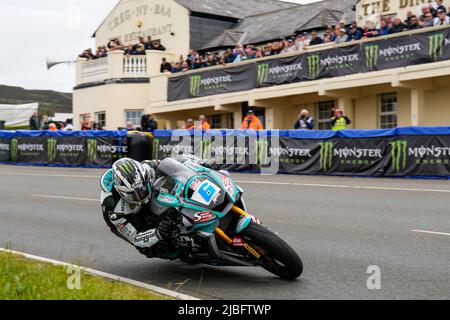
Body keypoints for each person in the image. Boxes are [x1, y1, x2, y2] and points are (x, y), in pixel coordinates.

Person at [100, 158, 178, 258]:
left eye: (143, 189)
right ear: (121, 192)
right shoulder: (113, 208)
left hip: (137, 190)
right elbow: (135, 237)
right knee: (150, 248)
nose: (142, 195)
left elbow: (172, 164)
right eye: (134, 194)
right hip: (126, 217)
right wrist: (158, 232)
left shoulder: (147, 167)